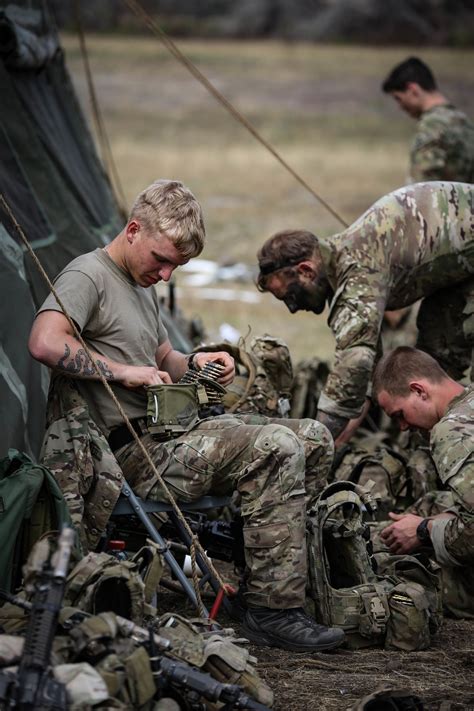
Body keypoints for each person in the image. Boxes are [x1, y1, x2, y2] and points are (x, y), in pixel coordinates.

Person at [28, 178, 344, 653]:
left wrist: (196, 363)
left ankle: (274, 584)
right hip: (125, 452)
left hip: (171, 435)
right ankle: (272, 612)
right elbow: (44, 342)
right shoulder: (87, 277)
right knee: (274, 446)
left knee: (314, 436)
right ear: (133, 230)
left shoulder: (140, 283)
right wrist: (124, 373)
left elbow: (163, 358)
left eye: (177, 266)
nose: (167, 275)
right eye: (163, 260)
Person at [256, 181, 474, 443]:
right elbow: (368, 371)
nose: (292, 308)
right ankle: (431, 455)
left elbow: (355, 362)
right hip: (460, 271)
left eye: (289, 296)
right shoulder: (350, 264)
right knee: (436, 358)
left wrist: (310, 445)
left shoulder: (356, 267)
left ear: (306, 271)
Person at [372, 346, 474, 617]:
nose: (403, 427)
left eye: (399, 415)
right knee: (435, 504)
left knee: (403, 577)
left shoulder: (451, 432)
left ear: (419, 390)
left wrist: (422, 531)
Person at [381, 56, 474, 184]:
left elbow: (421, 191)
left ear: (413, 90)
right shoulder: (465, 123)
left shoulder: (431, 127)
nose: (400, 107)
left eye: (398, 98)